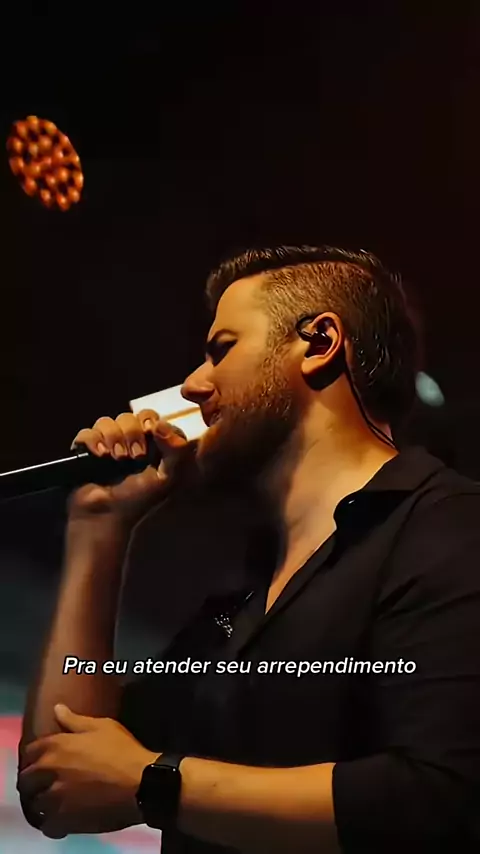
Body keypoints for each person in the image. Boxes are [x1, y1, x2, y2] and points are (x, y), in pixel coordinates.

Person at [16, 245, 480, 853]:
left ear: (320, 343)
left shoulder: (452, 528)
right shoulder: (239, 603)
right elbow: (56, 781)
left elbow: (439, 796)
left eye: (222, 349)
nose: (193, 384)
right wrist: (98, 530)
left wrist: (155, 783)